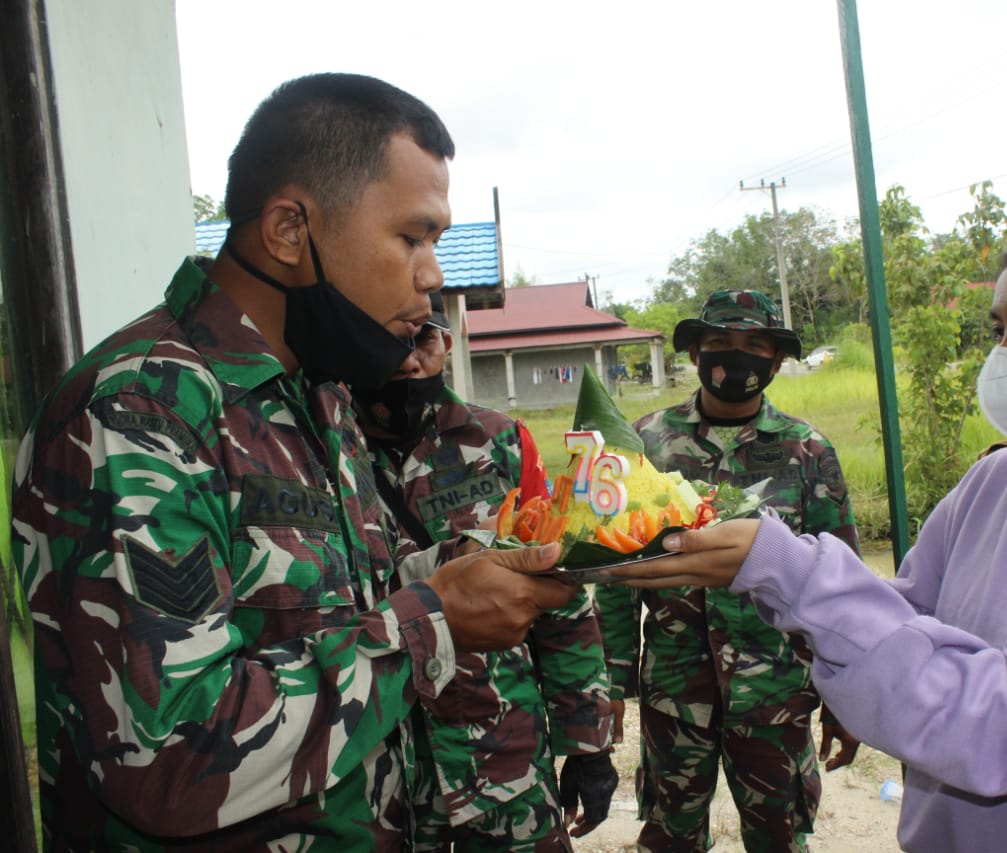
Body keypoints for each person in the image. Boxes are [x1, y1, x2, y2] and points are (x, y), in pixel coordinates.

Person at [10, 73, 575, 851]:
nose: (434, 274)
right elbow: (170, 755)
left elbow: (326, 609)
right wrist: (434, 622)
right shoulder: (138, 411)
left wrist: (458, 571)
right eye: (412, 236)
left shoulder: (319, 396)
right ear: (287, 230)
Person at [606, 216, 1007, 852]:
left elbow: (1004, 730)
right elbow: (901, 621)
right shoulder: (996, 481)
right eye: (999, 330)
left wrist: (788, 568)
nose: (1004, 354)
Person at [594, 290, 861, 852]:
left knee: (779, 835)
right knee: (670, 832)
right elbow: (615, 574)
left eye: (752, 345)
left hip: (775, 689)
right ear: (695, 354)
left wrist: (845, 694)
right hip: (675, 688)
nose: (734, 357)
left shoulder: (807, 449)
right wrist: (612, 682)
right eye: (719, 343)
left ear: (776, 360)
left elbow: (839, 582)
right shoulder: (643, 444)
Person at [352, 293, 617, 852]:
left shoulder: (500, 442)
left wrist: (587, 740)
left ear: (446, 343)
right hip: (379, 775)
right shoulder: (325, 452)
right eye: (388, 344)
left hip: (502, 753)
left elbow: (559, 586)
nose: (409, 363)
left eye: (422, 341)